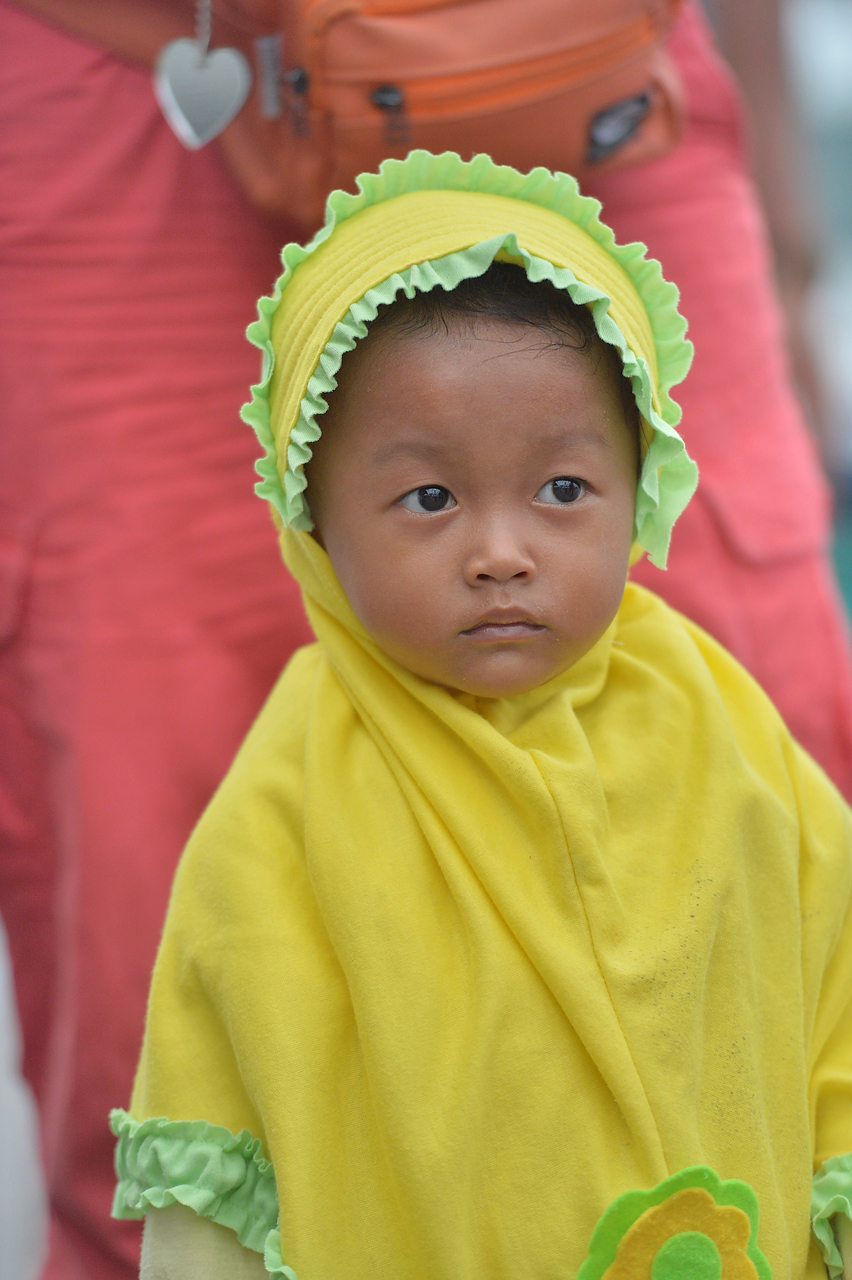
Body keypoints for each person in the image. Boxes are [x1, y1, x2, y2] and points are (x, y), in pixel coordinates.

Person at [111, 152, 852, 1280]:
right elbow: (218, 1140)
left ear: (641, 484)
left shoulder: (720, 726)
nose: (502, 552)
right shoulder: (283, 812)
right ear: (314, 521)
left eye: (563, 489)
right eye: (430, 497)